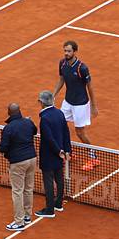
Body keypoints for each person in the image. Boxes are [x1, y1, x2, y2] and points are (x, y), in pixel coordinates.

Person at [53, 40, 99, 171]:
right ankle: (69, 152)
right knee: (60, 125)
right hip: (67, 102)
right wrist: (53, 94)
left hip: (80, 105)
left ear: (75, 51)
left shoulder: (82, 68)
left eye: (68, 51)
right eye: (65, 51)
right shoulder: (62, 63)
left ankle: (93, 157)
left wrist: (93, 106)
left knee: (80, 133)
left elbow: (90, 87)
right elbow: (61, 79)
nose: (66, 53)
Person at [0, 103, 37, 231]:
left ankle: (19, 221)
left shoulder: (8, 128)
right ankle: (27, 216)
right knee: (28, 189)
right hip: (32, 159)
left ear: (9, 113)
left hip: (18, 163)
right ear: (19, 111)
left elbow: (2, 148)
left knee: (17, 191)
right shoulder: (28, 122)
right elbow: (34, 131)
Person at [35, 91, 71, 218]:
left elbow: (48, 138)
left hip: (49, 155)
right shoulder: (60, 113)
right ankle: (58, 204)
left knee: (48, 181)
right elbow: (66, 133)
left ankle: (50, 209)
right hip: (59, 153)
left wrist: (58, 151)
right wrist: (66, 150)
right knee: (59, 178)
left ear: (41, 102)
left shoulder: (44, 118)